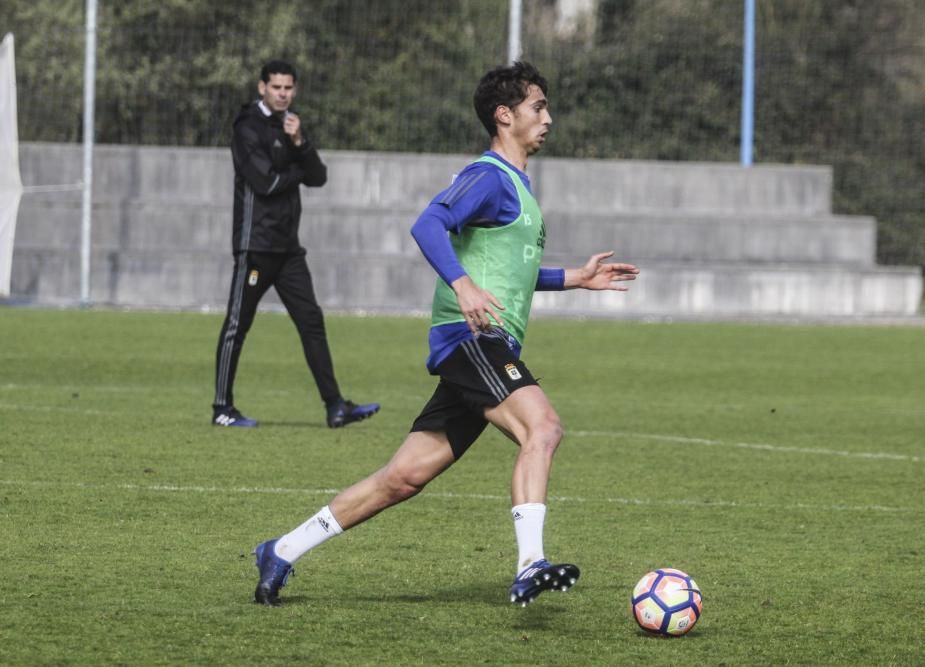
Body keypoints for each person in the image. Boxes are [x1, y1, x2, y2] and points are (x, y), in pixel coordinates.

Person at [252, 61, 639, 606]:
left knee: (403, 478)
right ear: (505, 116)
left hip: (483, 344)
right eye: (538, 107)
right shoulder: (488, 177)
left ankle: (282, 550)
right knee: (544, 429)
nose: (548, 117)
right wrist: (460, 285)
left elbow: (510, 272)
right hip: (472, 339)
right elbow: (427, 223)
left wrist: (575, 278)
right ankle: (531, 563)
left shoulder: (518, 188)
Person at [213, 60, 379, 429]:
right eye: (276, 87)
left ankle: (335, 406)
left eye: (288, 88)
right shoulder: (247, 127)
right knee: (237, 325)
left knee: (311, 323)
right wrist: (296, 172)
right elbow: (265, 183)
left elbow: (317, 177)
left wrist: (300, 144)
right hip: (254, 246)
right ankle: (222, 408)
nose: (283, 94)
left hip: (288, 249)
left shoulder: (293, 125)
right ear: (262, 88)